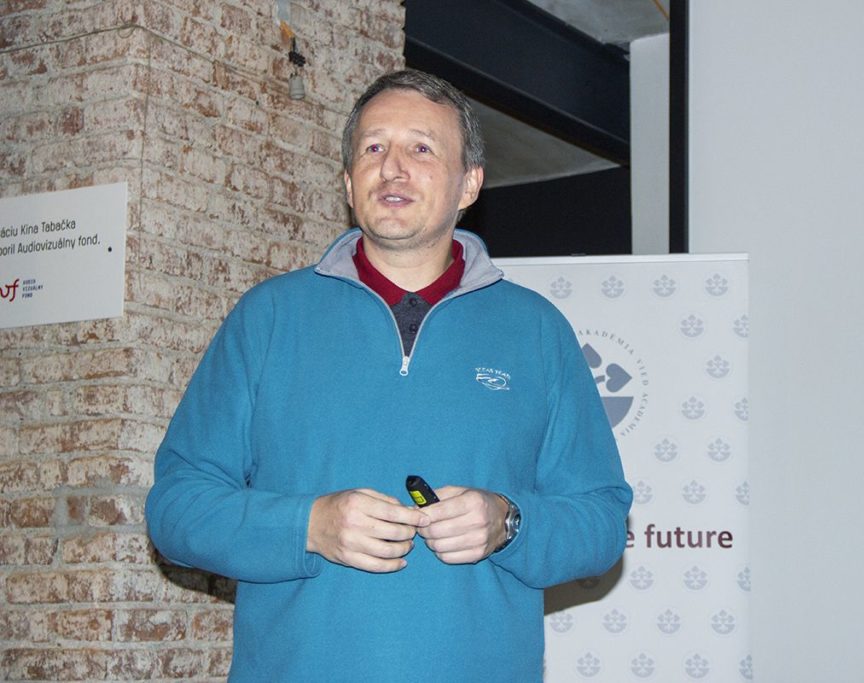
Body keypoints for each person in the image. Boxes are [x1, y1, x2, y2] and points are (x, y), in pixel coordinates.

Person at [145, 69, 632, 682]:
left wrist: (509, 523)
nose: (393, 168)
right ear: (349, 182)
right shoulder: (268, 318)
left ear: (469, 183)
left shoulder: (537, 331)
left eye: (421, 149)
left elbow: (601, 521)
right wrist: (308, 527)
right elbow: (177, 508)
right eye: (373, 148)